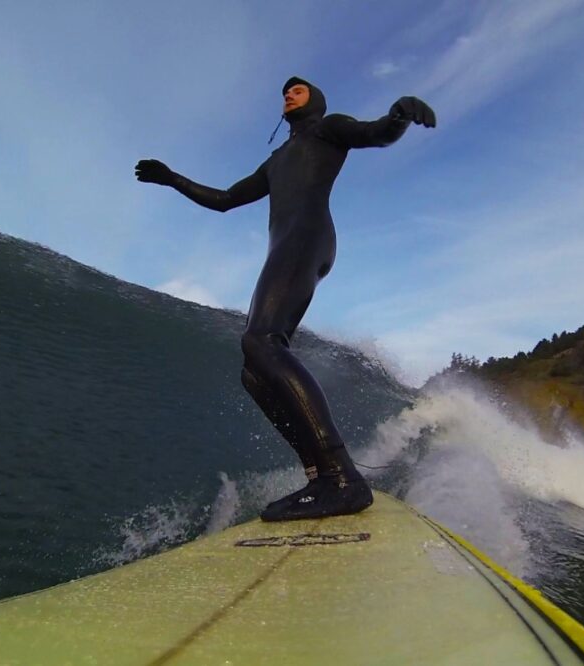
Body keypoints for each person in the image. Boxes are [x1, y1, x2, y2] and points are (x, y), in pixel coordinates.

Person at [135, 77, 435, 521]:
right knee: (254, 370)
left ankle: (343, 479)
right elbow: (225, 200)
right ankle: (319, 475)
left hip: (309, 238)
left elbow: (375, 134)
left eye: (298, 90)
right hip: (286, 247)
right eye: (285, 93)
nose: (288, 95)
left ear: (316, 100)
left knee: (263, 342)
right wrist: (173, 179)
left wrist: (399, 115)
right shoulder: (275, 161)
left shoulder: (329, 128)